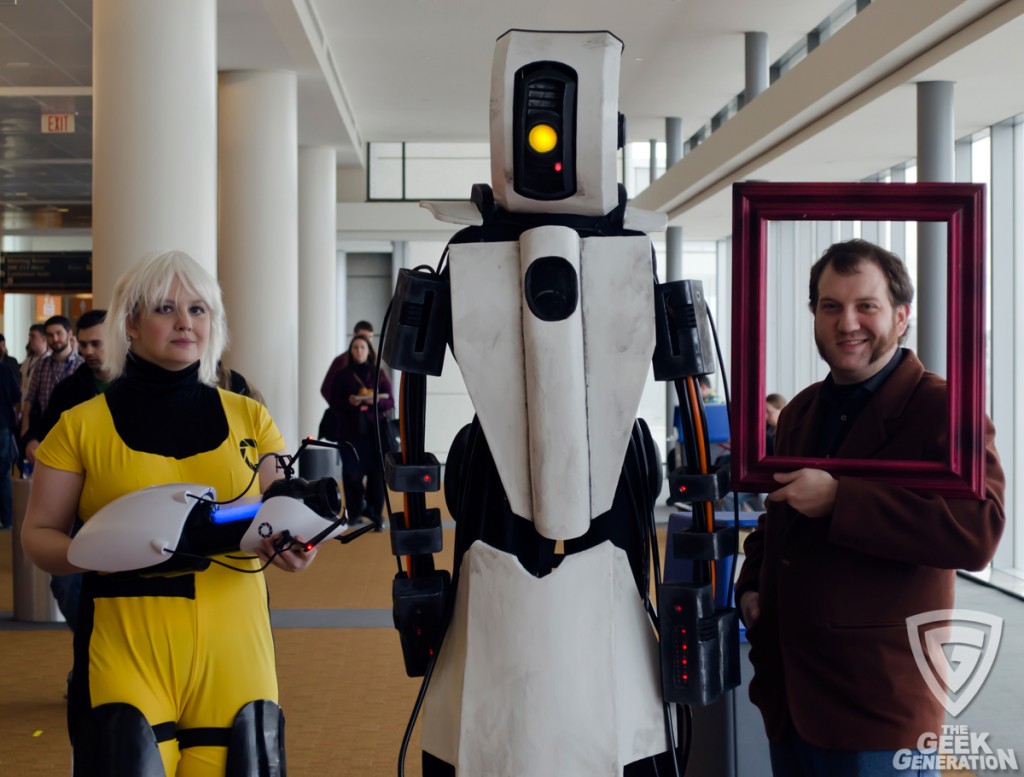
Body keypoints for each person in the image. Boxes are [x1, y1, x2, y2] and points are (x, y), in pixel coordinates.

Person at [21, 250, 316, 775]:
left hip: (236, 646)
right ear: (130, 322)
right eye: (165, 308)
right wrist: (91, 549)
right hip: (127, 647)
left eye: (199, 310)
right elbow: (38, 535)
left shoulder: (250, 416)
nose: (186, 322)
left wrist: (296, 544)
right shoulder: (80, 426)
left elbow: (281, 512)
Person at [735, 238, 1005, 775]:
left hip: (879, 708)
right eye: (830, 306)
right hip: (788, 698)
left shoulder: (945, 407)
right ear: (813, 313)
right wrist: (750, 583)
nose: (847, 323)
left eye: (867, 306)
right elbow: (778, 515)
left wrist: (841, 500)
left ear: (902, 316)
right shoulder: (800, 410)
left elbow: (979, 531)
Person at [328, 333, 393, 531]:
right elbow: (334, 402)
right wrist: (351, 402)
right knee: (351, 474)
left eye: (362, 347)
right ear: (350, 351)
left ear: (368, 350)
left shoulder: (378, 374)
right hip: (350, 432)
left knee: (376, 476)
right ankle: (356, 509)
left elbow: (390, 401)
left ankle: (375, 514)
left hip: (374, 434)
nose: (359, 351)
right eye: (355, 347)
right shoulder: (342, 375)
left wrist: (375, 401)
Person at [20, 314, 83, 445]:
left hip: (74, 432)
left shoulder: (81, 365)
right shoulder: (42, 365)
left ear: (69, 334)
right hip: (45, 430)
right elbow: (30, 398)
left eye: (59, 333)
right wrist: (25, 430)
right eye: (50, 335)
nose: (55, 339)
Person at [764, 392, 786, 457]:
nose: (765, 416)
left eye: (768, 411)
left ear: (782, 410)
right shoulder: (765, 428)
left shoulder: (787, 433)